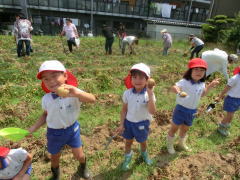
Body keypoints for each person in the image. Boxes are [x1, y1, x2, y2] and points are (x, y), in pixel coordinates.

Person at [28, 60, 96, 179]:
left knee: (79, 155)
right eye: (46, 79)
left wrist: (77, 94)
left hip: (72, 130)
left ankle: (83, 167)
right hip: (54, 132)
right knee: (54, 157)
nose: (51, 81)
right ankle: (56, 173)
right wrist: (34, 127)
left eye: (54, 76)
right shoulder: (47, 99)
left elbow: (92, 99)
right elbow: (45, 114)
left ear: (65, 76)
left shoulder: (74, 92)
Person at [166, 58, 219, 154]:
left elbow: (202, 94)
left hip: (192, 111)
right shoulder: (185, 81)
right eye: (196, 69)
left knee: (185, 129)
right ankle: (169, 145)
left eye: (202, 70)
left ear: (205, 72)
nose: (199, 72)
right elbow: (174, 87)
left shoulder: (202, 83)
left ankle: (181, 144)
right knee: (174, 128)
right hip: (181, 110)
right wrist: (179, 91)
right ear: (190, 71)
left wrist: (210, 86)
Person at [116, 63, 156, 170]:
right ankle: (127, 158)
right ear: (131, 79)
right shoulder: (127, 93)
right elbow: (124, 110)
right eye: (134, 77)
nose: (137, 80)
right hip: (128, 123)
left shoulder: (148, 95)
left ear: (147, 80)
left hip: (142, 123)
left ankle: (144, 155)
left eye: (141, 77)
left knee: (143, 142)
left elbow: (152, 112)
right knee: (128, 142)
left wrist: (151, 95)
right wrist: (121, 124)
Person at [216, 70, 240, 136]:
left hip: (238, 99)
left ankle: (225, 127)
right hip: (231, 99)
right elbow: (226, 88)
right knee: (230, 115)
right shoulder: (235, 78)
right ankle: (221, 127)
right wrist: (220, 97)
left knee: (231, 115)